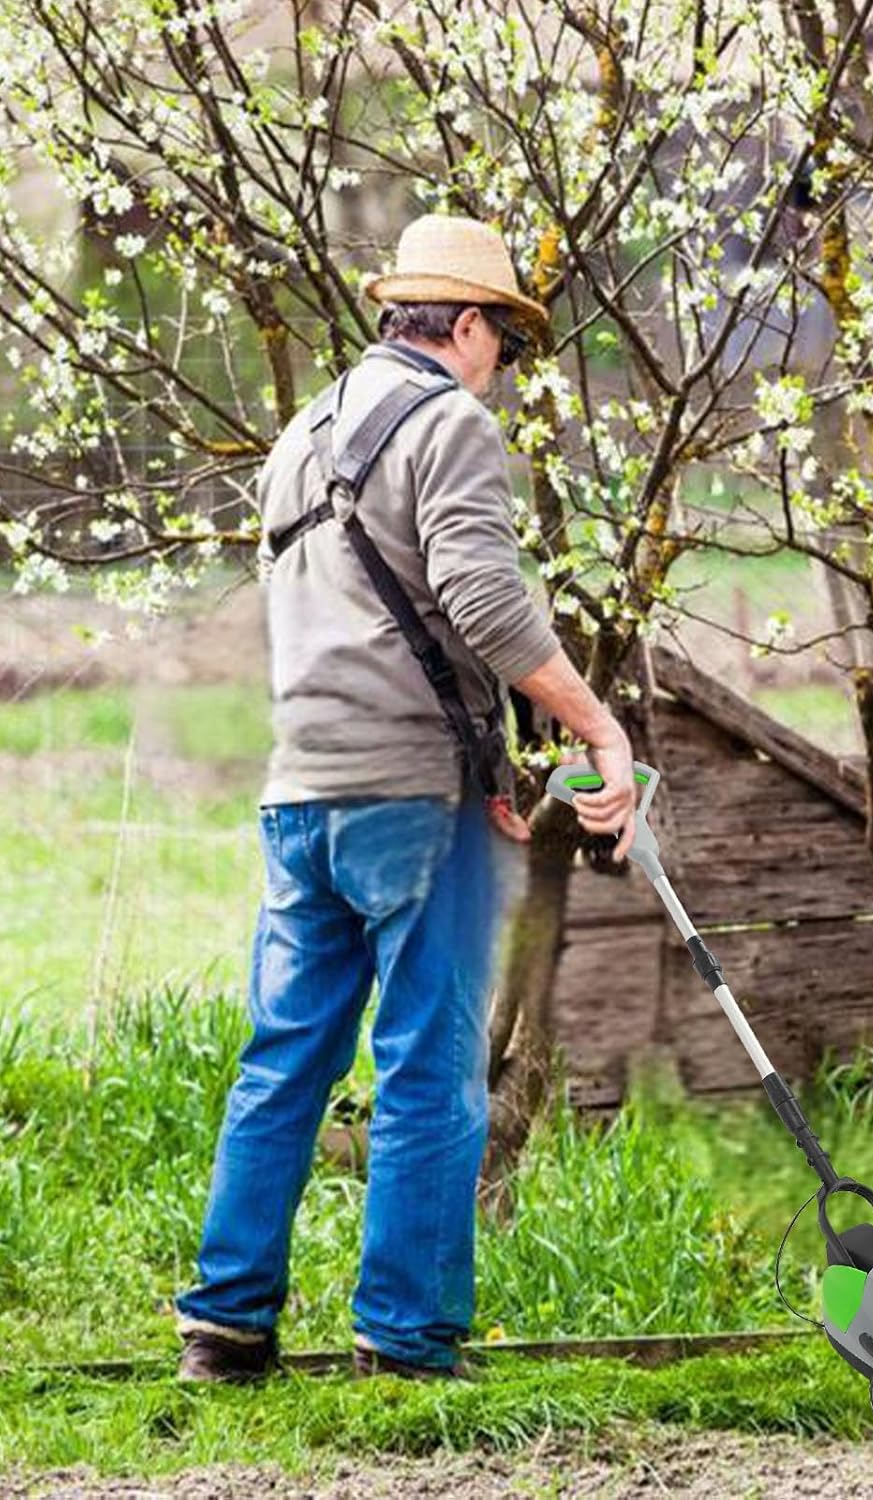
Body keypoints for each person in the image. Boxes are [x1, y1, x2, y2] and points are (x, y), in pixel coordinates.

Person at [174, 214, 636, 1382]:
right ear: (467, 325)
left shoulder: (303, 433)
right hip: (409, 797)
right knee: (430, 1063)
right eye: (508, 345)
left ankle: (225, 1327)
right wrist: (595, 724)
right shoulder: (450, 425)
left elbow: (343, 618)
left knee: (285, 1058)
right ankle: (410, 1337)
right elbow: (482, 604)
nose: (505, 373)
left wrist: (479, 751)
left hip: (301, 793)